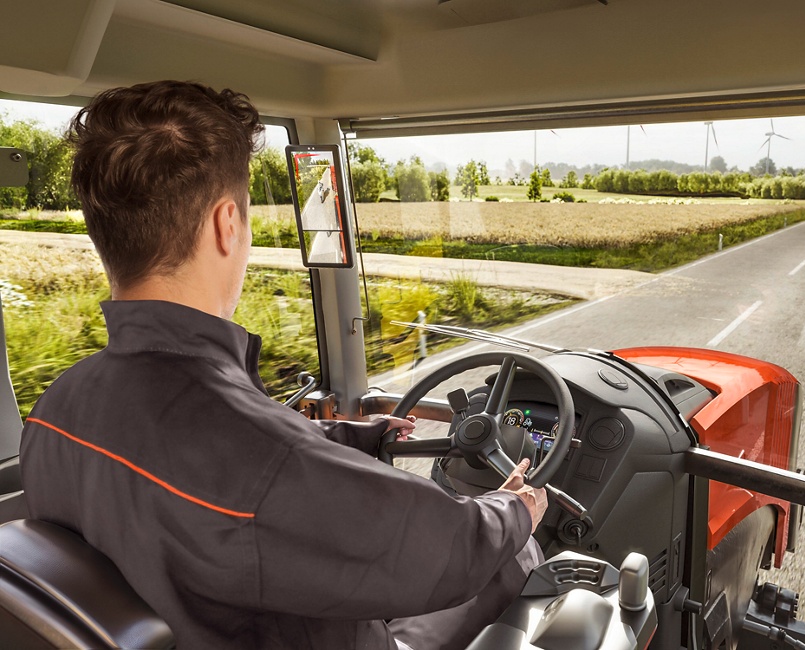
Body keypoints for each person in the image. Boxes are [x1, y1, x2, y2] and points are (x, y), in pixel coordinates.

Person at [19, 80, 547, 650]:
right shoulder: (258, 460)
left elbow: (233, 469)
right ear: (227, 225)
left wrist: (355, 437)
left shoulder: (54, 411)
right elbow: (446, 549)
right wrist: (513, 508)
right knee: (516, 556)